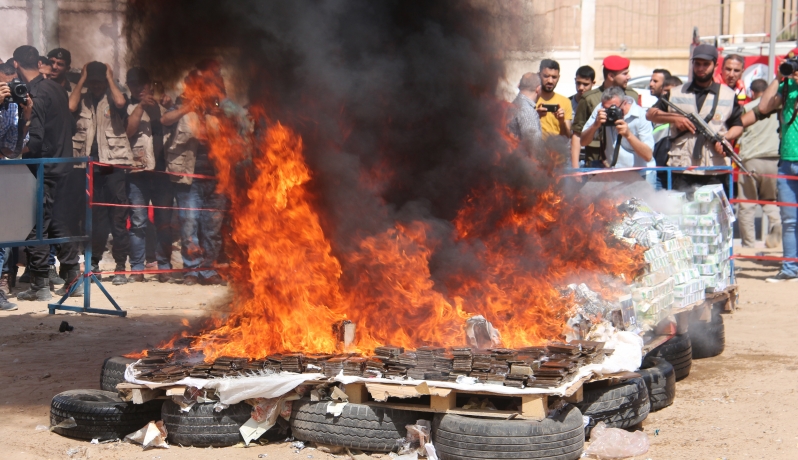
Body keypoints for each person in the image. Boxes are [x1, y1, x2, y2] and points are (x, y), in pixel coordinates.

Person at [11, 46, 81, 302]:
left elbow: (36, 139)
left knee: (36, 223)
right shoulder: (55, 87)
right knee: (60, 221)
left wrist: (14, 148)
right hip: (64, 164)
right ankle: (73, 278)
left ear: (17, 65)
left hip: (43, 167)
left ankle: (40, 283)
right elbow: (70, 126)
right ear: (38, 62)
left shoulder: (36, 93)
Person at [161, 68, 227, 286]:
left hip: (216, 179)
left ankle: (208, 269)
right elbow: (165, 119)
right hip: (189, 179)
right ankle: (191, 270)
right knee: (189, 225)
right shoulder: (182, 108)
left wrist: (215, 113)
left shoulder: (220, 111)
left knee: (212, 228)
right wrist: (189, 108)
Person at [647, 44, 743, 193]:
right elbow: (651, 114)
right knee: (681, 214)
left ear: (715, 66)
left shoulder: (728, 95)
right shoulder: (676, 93)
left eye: (706, 64)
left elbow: (738, 125)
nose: (701, 68)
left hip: (715, 169)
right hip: (682, 169)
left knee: (715, 215)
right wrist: (675, 118)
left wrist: (725, 138)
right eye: (697, 63)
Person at [69, 61, 132, 286]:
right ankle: (94, 262)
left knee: (118, 216)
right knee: (95, 218)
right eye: (92, 82)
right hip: (89, 167)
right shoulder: (83, 98)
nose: (96, 85)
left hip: (114, 165)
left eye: (99, 81)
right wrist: (82, 79)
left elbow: (120, 101)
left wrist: (110, 78)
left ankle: (120, 267)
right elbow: (70, 106)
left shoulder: (113, 97)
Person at [124, 67, 174, 283]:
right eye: (133, 84)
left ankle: (164, 266)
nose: (138, 88)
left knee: (164, 222)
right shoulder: (125, 106)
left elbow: (173, 122)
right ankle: (137, 268)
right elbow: (128, 131)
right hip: (138, 172)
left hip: (163, 173)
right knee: (138, 222)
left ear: (149, 85)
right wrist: (141, 106)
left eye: (142, 84)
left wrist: (167, 104)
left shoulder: (164, 105)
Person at [759, 65, 798, 282]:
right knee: (789, 220)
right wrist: (778, 77)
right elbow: (764, 107)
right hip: (786, 161)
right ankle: (790, 268)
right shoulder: (787, 86)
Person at [572, 55, 639, 169]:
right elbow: (577, 135)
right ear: (611, 76)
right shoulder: (590, 98)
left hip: (627, 163)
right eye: (624, 73)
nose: (629, 77)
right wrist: (575, 168)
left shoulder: (632, 96)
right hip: (596, 160)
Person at [737, 78, 781, 249]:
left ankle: (749, 244)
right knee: (770, 199)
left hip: (751, 160)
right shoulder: (778, 108)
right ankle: (776, 223)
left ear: (752, 92)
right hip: (775, 160)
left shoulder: (748, 109)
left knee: (747, 203)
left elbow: (739, 134)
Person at [580, 87, 655, 186]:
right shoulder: (601, 109)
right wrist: (595, 125)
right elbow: (583, 142)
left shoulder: (641, 116)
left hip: (641, 175)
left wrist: (628, 135)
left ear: (624, 103)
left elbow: (648, 155)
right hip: (614, 175)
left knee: (642, 202)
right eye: (606, 109)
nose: (610, 112)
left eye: (613, 108)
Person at [535, 59, 571, 138]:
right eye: (546, 76)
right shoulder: (529, 100)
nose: (550, 81)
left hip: (556, 149)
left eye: (554, 77)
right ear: (538, 75)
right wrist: (535, 116)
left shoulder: (565, 102)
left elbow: (567, 137)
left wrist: (561, 122)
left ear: (559, 77)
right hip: (533, 149)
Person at [506, 72, 543, 144]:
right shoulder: (528, 111)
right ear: (538, 89)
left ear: (519, 86)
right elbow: (534, 146)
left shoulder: (515, 104)